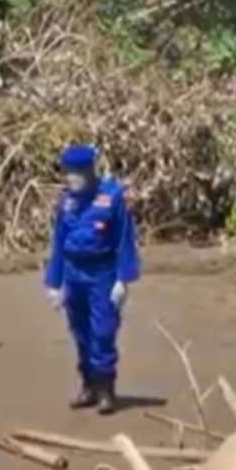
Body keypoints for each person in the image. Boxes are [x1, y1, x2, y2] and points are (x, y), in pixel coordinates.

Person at [44, 144, 140, 415]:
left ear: (89, 170)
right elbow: (59, 243)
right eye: (68, 173)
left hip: (102, 273)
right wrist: (55, 284)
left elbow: (125, 240)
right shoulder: (67, 201)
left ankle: (106, 389)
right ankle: (88, 386)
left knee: (103, 332)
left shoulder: (111, 197)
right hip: (74, 273)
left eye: (76, 173)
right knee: (80, 332)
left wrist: (123, 280)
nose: (71, 178)